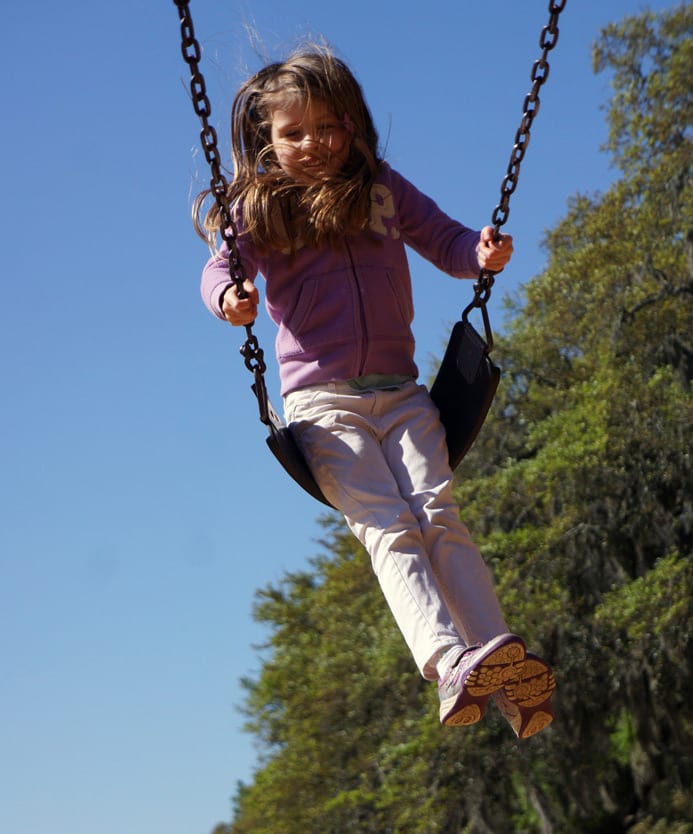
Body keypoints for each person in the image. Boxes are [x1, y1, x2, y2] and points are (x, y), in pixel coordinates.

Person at [197, 46, 555, 738]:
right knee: (389, 526)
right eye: (294, 133)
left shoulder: (381, 189)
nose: (315, 144)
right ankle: (447, 659)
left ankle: (500, 660)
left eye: (329, 126)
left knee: (437, 511)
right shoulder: (260, 209)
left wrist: (477, 254)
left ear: (354, 125)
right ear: (266, 141)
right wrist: (231, 298)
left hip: (401, 392)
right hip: (322, 406)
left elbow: (443, 237)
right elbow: (216, 271)